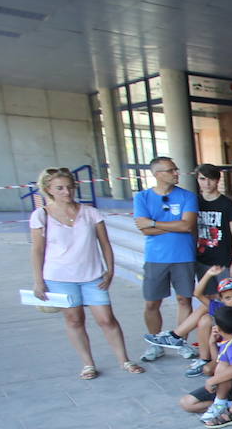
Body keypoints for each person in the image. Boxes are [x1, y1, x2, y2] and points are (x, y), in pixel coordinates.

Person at [30, 167, 143, 378]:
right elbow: (37, 250)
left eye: (69, 187)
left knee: (106, 319)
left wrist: (110, 270)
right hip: (59, 276)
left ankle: (124, 360)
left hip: (92, 275)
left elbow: (105, 243)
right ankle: (87, 363)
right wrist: (38, 281)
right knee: (74, 319)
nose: (66, 192)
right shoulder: (41, 215)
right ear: (48, 190)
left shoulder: (90, 213)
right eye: (60, 188)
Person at [134, 156, 198, 363]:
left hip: (183, 256)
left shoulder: (187, 196)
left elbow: (187, 226)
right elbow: (143, 229)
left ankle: (180, 340)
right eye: (171, 170)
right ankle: (155, 344)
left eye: (176, 169)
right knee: (152, 302)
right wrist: (172, 225)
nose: (176, 173)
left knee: (184, 299)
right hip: (155, 258)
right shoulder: (142, 197)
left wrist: (154, 223)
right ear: (157, 174)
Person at [177, 304, 232, 425]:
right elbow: (217, 362)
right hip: (223, 385)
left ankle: (220, 403)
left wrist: (212, 381)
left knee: (224, 368)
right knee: (186, 403)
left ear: (217, 328)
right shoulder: (230, 339)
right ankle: (226, 404)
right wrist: (212, 344)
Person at [192, 164, 232, 304]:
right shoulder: (194, 202)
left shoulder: (227, 204)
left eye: (211, 179)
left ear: (217, 180)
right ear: (197, 180)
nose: (207, 183)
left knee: (229, 297)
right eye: (202, 179)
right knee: (208, 298)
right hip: (202, 259)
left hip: (223, 261)